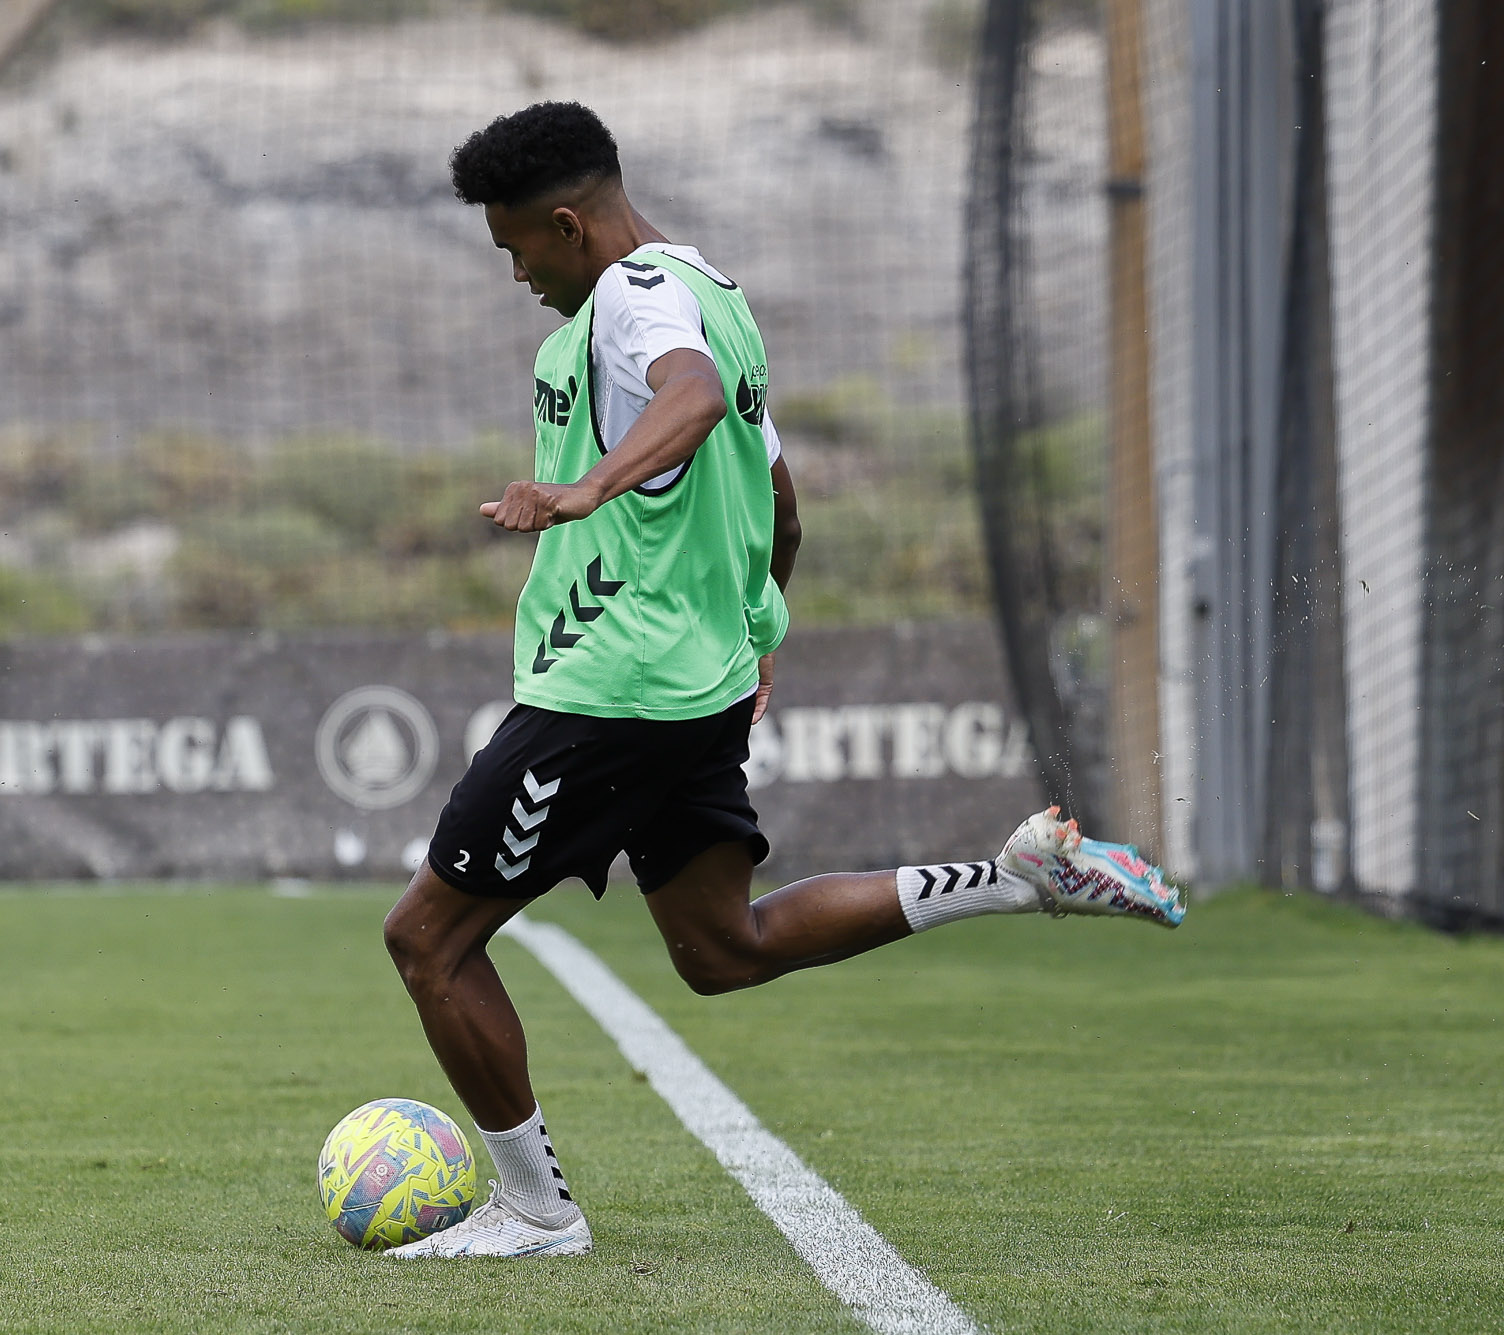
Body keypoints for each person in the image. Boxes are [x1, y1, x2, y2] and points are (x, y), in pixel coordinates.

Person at [381, 101, 1182, 1260]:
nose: (515, 275)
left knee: (428, 941)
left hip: (610, 689)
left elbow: (691, 398)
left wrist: (581, 492)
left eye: (515, 248)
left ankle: (534, 1213)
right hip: (691, 680)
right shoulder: (716, 293)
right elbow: (780, 502)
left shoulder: (634, 299)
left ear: (566, 225)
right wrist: (757, 629)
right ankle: (1012, 878)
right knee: (721, 949)